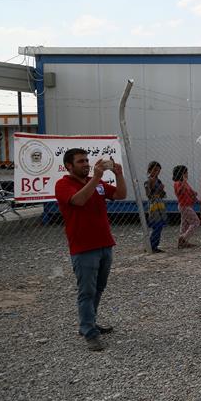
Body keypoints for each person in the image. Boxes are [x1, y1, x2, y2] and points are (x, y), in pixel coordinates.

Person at [54, 149, 127, 351]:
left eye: (87, 160)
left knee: (99, 287)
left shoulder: (98, 183)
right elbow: (78, 200)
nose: (86, 164)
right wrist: (95, 178)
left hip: (104, 244)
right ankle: (88, 332)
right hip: (84, 248)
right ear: (69, 165)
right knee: (86, 291)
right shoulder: (63, 185)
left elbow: (121, 194)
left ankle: (89, 322)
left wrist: (119, 174)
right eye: (80, 161)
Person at [173, 164, 201, 248]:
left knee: (184, 225)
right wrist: (184, 182)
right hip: (184, 206)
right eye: (186, 173)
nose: (187, 174)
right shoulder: (177, 183)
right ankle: (183, 238)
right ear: (181, 174)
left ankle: (183, 242)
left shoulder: (185, 183)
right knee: (196, 222)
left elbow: (191, 192)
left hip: (188, 205)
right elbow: (179, 191)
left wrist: (196, 198)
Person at [145, 161, 167, 253]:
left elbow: (163, 195)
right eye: (154, 170)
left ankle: (154, 245)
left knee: (160, 226)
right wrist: (154, 187)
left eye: (158, 171)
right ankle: (151, 246)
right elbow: (149, 195)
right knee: (156, 226)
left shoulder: (159, 181)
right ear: (150, 170)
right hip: (153, 206)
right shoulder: (148, 181)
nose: (156, 172)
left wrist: (161, 190)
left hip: (160, 205)